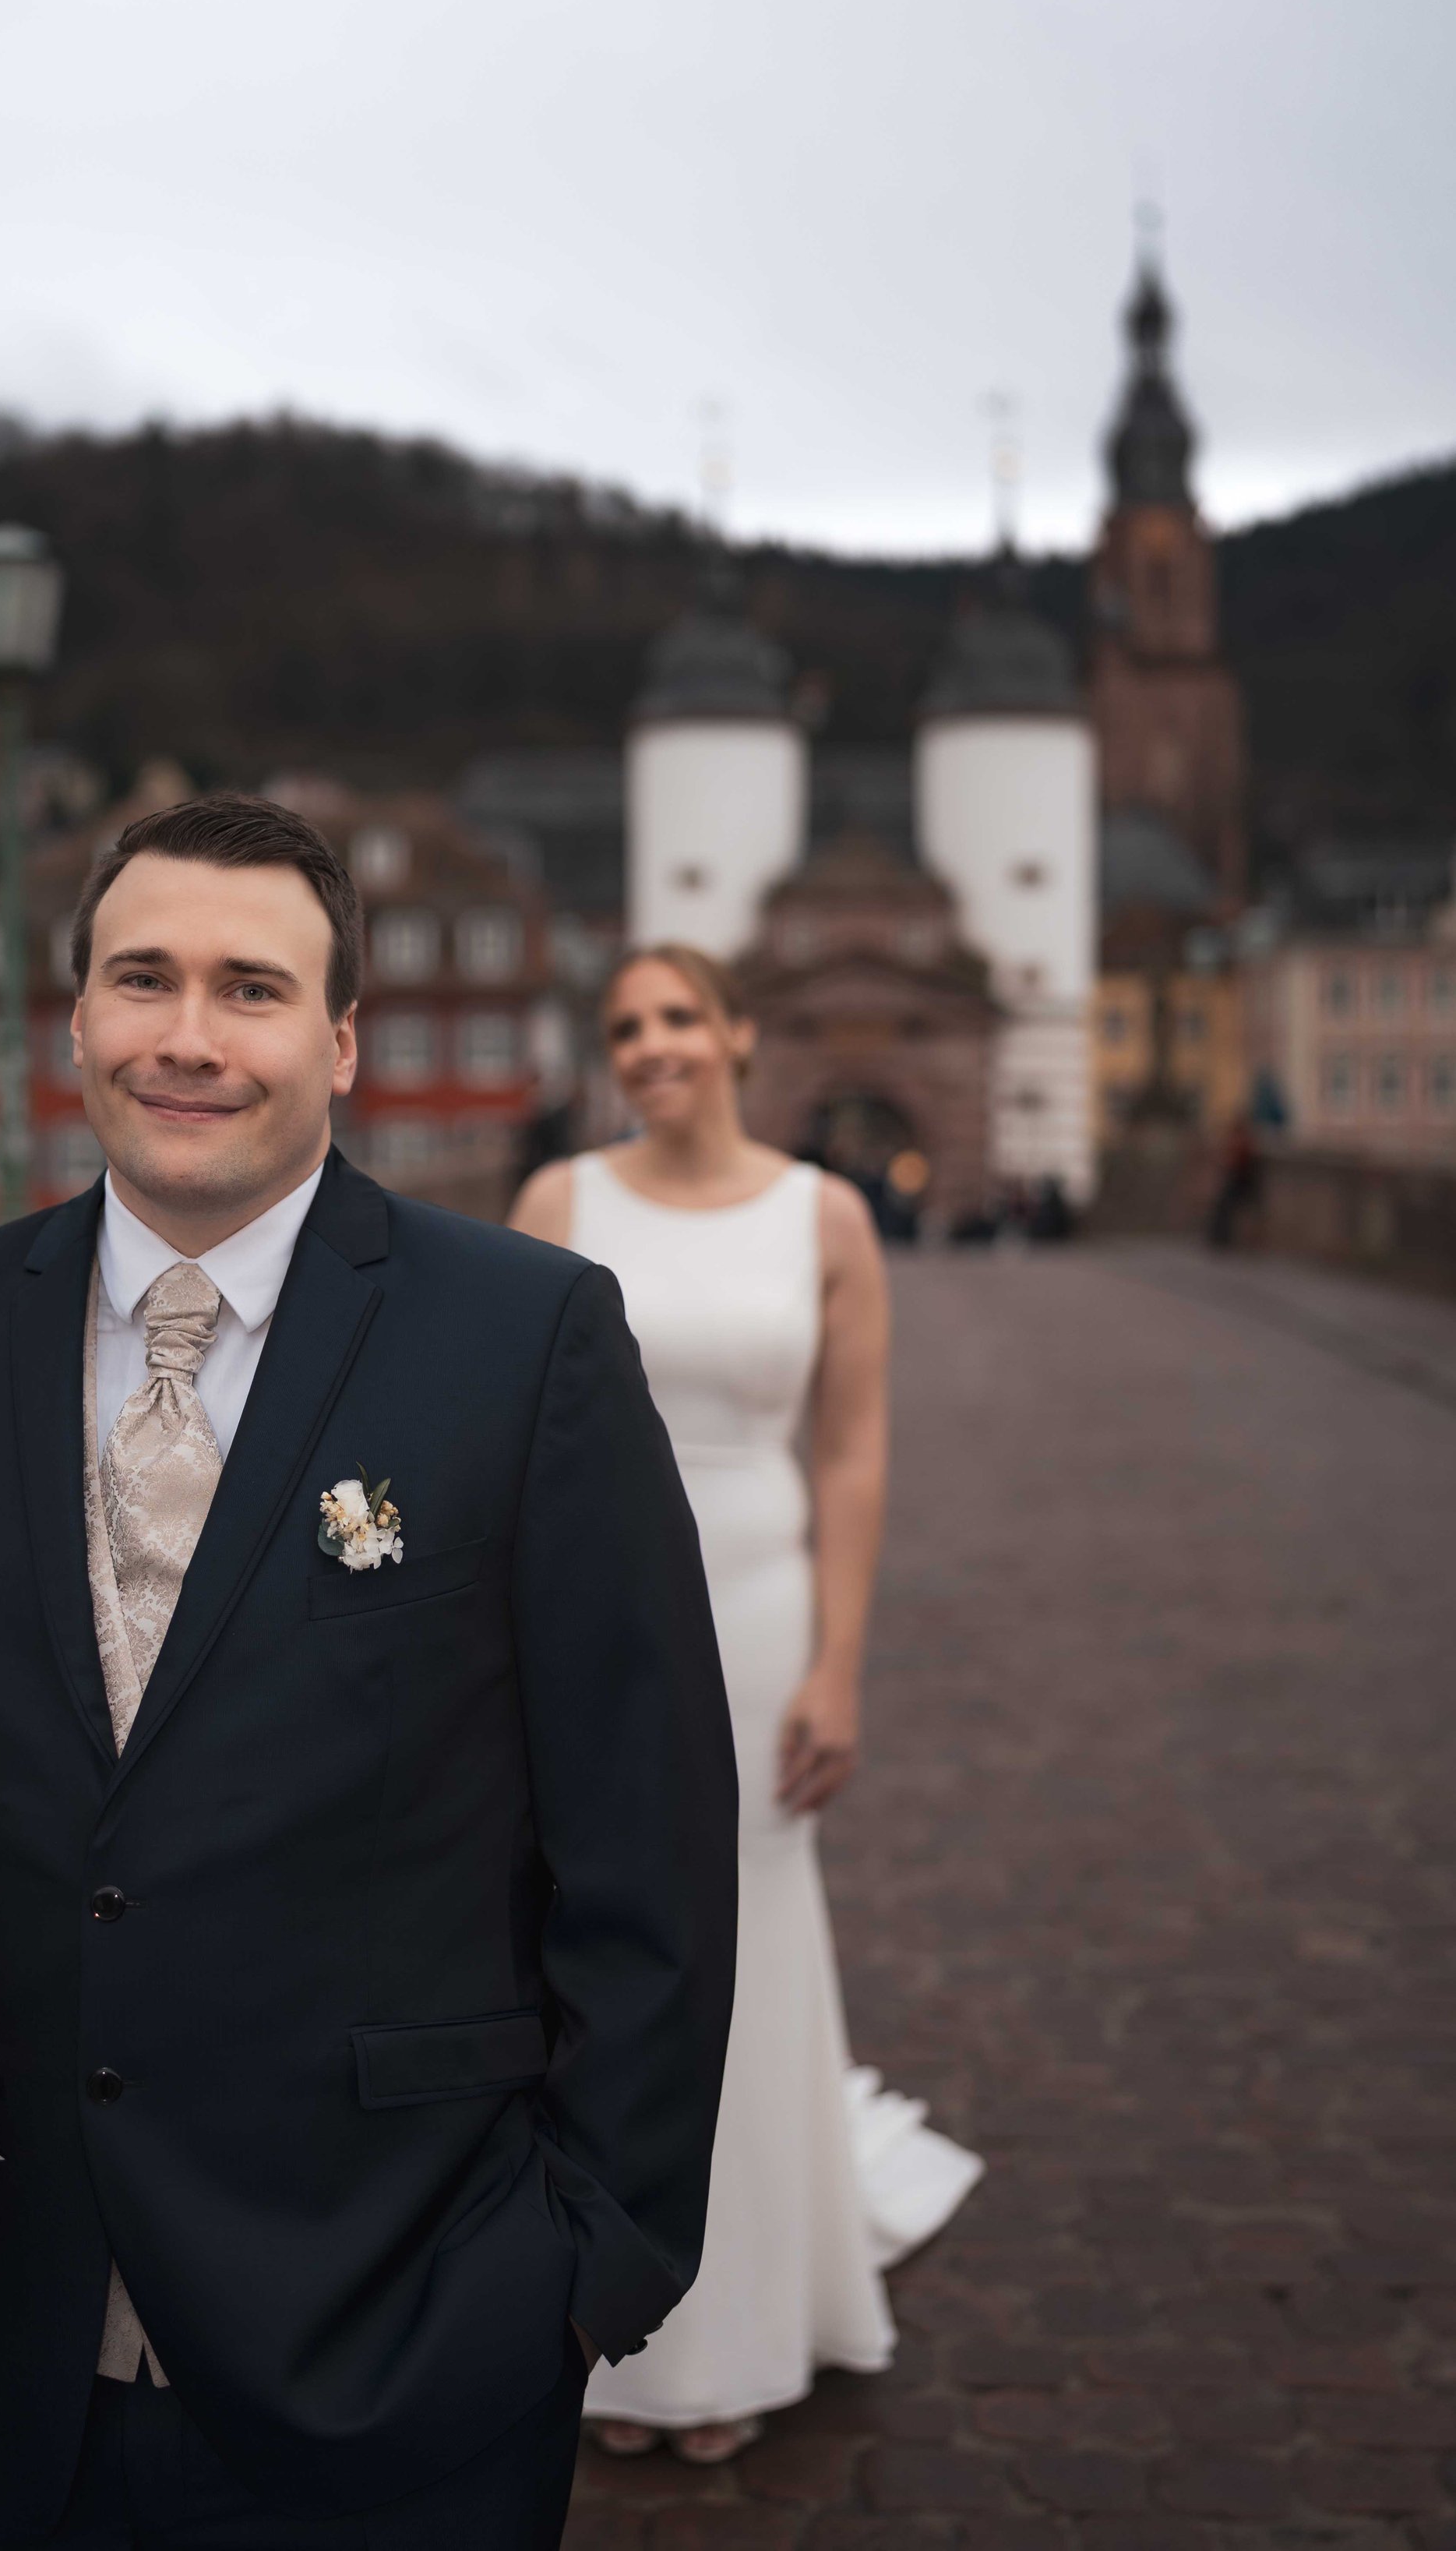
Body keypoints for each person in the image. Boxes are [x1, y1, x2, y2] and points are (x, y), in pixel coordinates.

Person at [0, 796, 738, 2551]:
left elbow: (648, 1843)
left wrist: (582, 2273)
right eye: (143, 979)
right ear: (75, 1022)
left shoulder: (527, 1339)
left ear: (339, 1042)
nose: (187, 1036)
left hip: (405, 2341)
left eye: (250, 989)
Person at [512, 942, 981, 2464]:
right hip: (594, 1617)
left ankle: (744, 2323)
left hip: (760, 1610)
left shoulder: (822, 1212)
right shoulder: (559, 1201)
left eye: (676, 1018)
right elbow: (509, 1436)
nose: (650, 1045)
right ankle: (610, 2308)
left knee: (752, 1944)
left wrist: (840, 1663)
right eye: (623, 1027)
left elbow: (849, 1448)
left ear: (734, 1034)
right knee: (590, 1944)